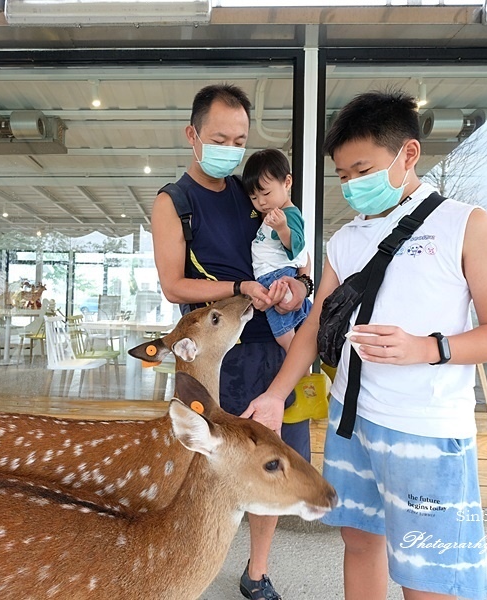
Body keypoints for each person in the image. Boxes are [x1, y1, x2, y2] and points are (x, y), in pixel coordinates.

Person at [241, 91, 487, 600]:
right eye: (343, 175)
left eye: (362, 169)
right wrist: (275, 395)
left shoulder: (466, 225)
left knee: (426, 573)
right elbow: (313, 328)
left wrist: (427, 347)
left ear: (408, 154)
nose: (351, 185)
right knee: (358, 542)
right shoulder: (346, 239)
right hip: (352, 422)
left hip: (427, 432)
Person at [151, 83, 312, 600]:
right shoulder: (174, 202)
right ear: (193, 135)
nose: (232, 148)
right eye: (221, 137)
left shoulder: (253, 194)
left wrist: (298, 288)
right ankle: (187, 561)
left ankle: (257, 571)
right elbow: (174, 285)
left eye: (240, 139)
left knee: (273, 459)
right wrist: (239, 288)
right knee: (201, 468)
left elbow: (295, 254)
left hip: (273, 347)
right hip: (216, 356)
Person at [242, 148, 312, 354]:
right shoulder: (272, 213)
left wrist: (282, 228)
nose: (261, 202)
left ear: (287, 183)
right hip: (273, 277)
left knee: (283, 334)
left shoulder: (288, 215)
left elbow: (297, 246)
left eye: (266, 193)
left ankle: (300, 369)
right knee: (297, 321)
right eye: (254, 198)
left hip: (277, 278)